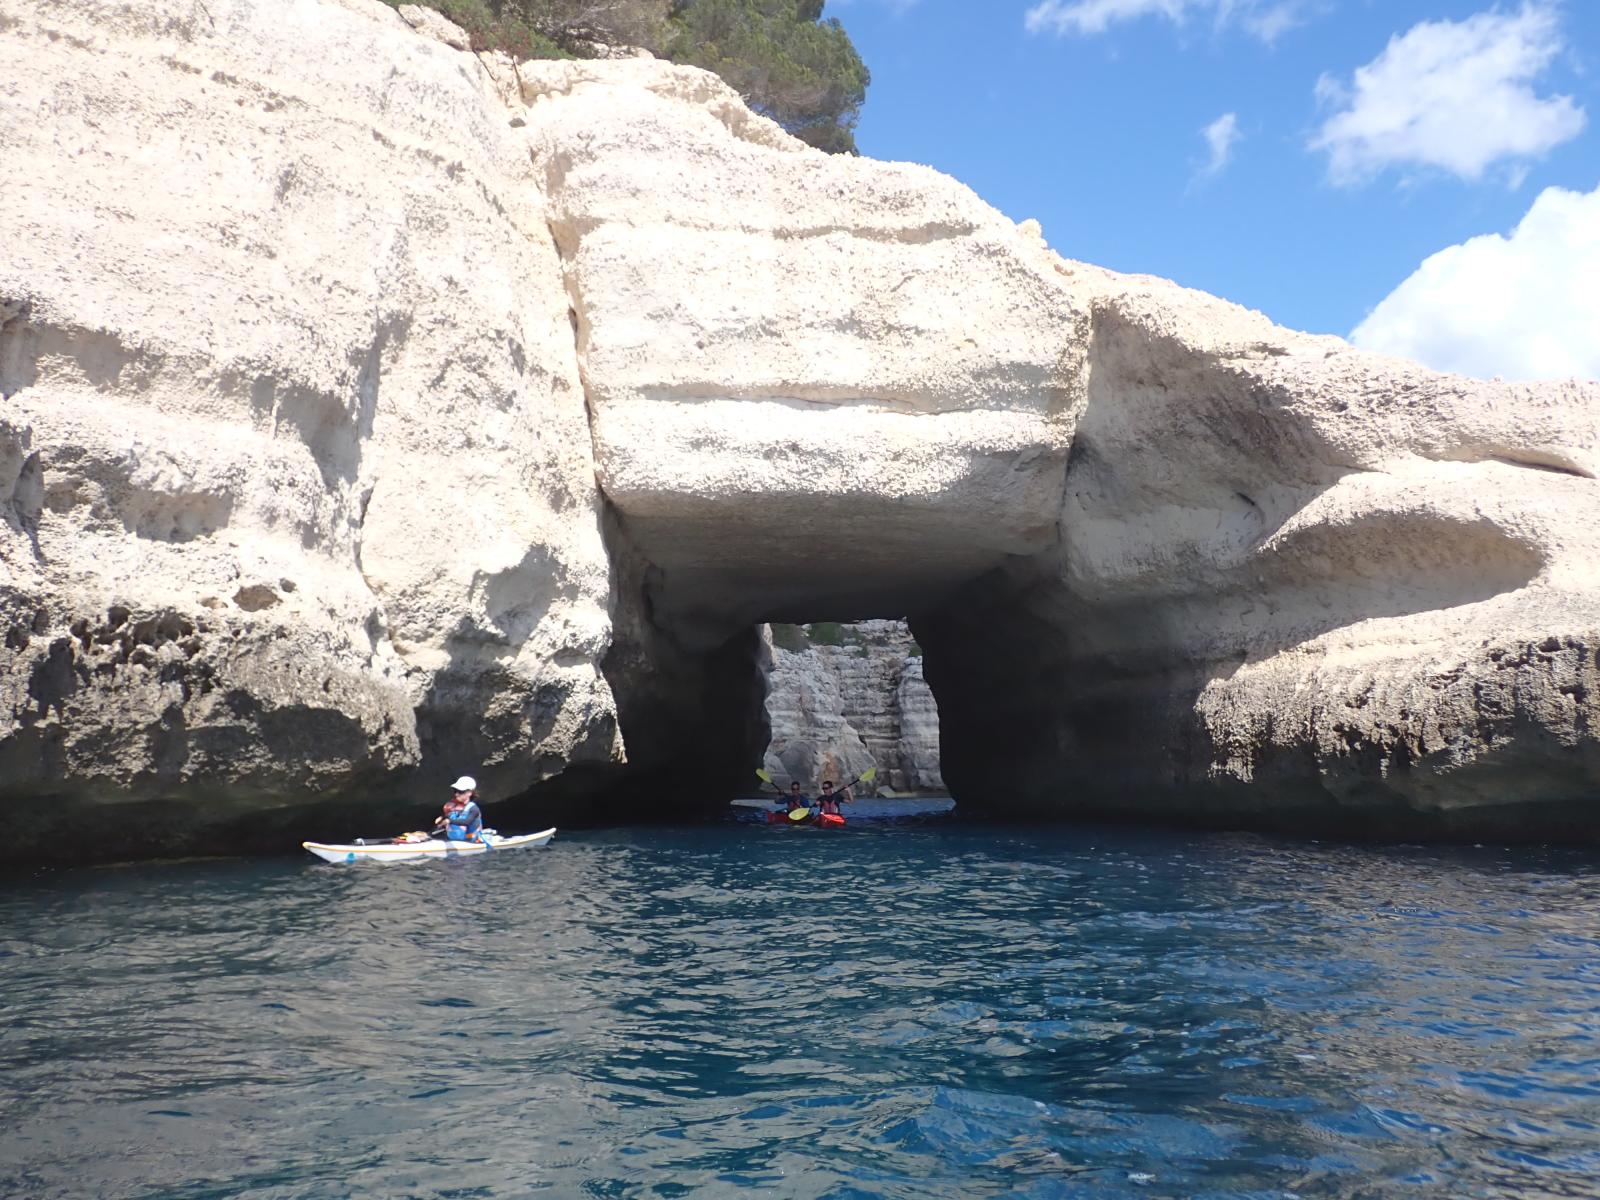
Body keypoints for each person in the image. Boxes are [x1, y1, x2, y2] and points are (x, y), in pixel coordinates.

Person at [434, 775, 485, 842]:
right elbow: (450, 815)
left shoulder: (474, 809)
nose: (456, 794)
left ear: (469, 793)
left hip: (471, 840)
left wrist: (449, 821)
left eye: (460, 792)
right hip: (456, 839)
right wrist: (442, 818)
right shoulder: (456, 807)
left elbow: (467, 822)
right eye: (455, 791)